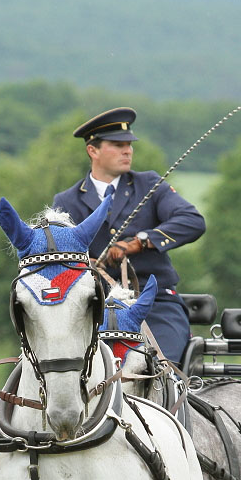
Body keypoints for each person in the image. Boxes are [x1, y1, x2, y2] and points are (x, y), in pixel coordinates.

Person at [52, 107, 205, 364]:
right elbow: (57, 260)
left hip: (154, 304)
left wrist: (141, 242)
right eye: (118, 144)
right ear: (93, 150)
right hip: (95, 308)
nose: (128, 150)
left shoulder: (150, 185)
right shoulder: (67, 201)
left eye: (129, 145)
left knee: (160, 367)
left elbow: (192, 221)